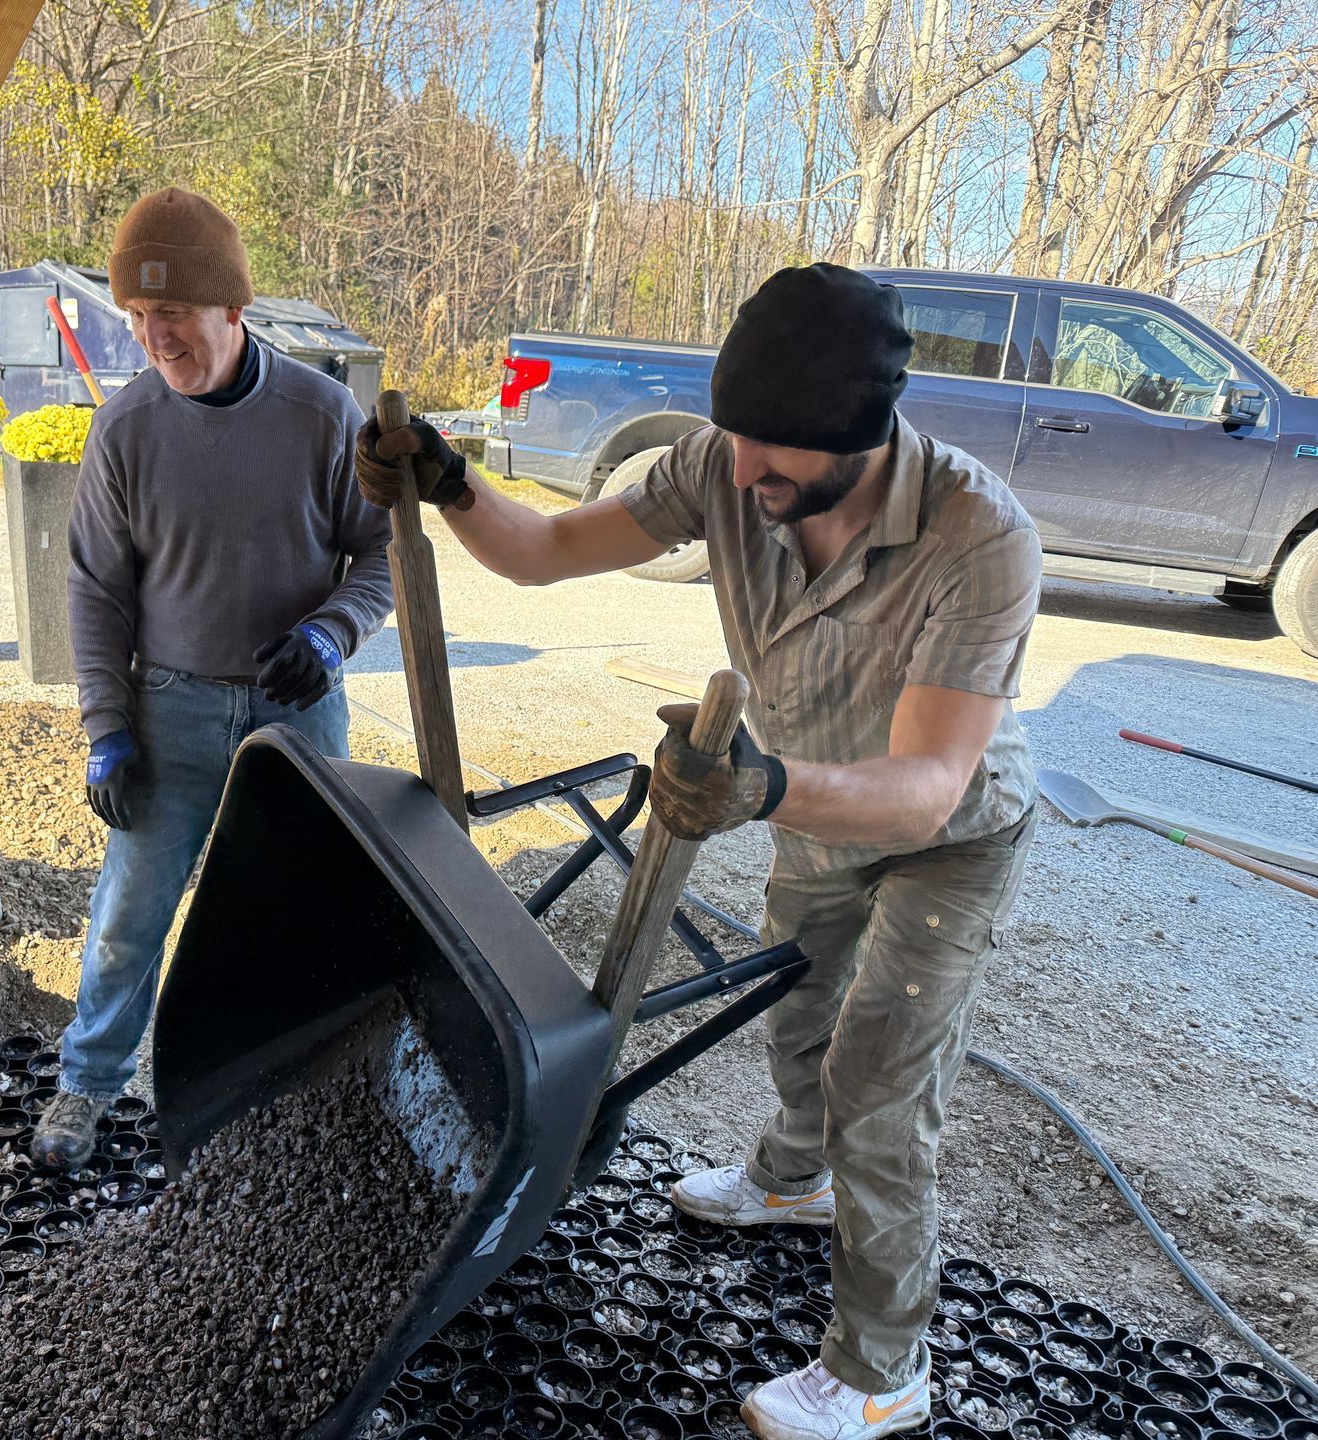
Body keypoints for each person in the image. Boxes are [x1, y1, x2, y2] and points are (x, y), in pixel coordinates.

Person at [356, 264, 1041, 1440]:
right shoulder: (727, 466)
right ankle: (789, 1177)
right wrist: (453, 483)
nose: (740, 472)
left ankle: (883, 1371)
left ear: (862, 439)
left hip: (943, 838)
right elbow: (546, 550)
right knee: (799, 1014)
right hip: (799, 800)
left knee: (879, 1080)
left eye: (773, 453)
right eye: (735, 438)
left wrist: (761, 786)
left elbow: (927, 790)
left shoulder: (979, 536)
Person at [36, 188, 393, 1167]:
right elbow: (95, 591)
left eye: (176, 318)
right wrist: (106, 726)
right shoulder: (126, 429)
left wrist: (330, 633)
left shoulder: (322, 416)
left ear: (233, 310)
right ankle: (87, 1084)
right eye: (140, 321)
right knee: (129, 917)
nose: (156, 340)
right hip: (173, 712)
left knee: (303, 913)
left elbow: (382, 556)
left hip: (299, 711)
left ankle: (290, 1088)